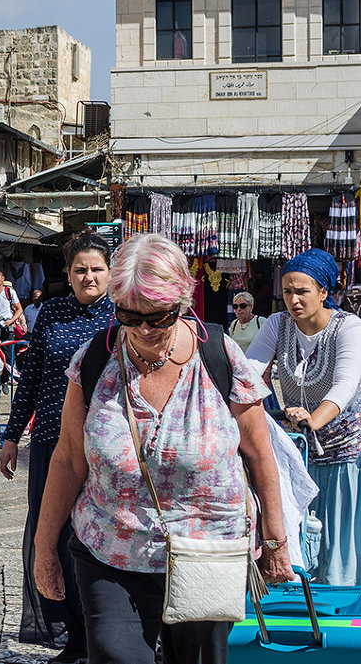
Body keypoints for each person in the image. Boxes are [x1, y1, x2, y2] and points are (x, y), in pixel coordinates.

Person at [34, 233, 292, 664]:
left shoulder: (220, 355)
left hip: (207, 549)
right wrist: (44, 550)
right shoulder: (94, 360)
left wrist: (276, 540)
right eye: (130, 317)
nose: (144, 330)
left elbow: (259, 452)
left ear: (183, 303)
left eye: (160, 316)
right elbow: (66, 460)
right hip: (111, 548)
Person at [0, 230, 113, 660]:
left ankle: (102, 630)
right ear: (68, 273)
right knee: (53, 534)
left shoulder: (123, 317)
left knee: (95, 538)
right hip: (51, 439)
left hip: (104, 446)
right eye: (79, 269)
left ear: (110, 272)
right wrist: (12, 435)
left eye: (96, 269)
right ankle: (71, 630)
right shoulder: (51, 312)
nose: (88, 277)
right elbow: (30, 377)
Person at [245, 248, 361, 586]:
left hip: (344, 454)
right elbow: (249, 374)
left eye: (302, 292)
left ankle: (343, 616)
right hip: (296, 453)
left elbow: (345, 385)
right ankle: (299, 613)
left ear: (324, 292)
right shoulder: (278, 325)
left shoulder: (348, 327)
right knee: (300, 537)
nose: (293, 300)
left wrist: (314, 418)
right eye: (288, 292)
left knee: (339, 543)